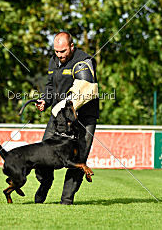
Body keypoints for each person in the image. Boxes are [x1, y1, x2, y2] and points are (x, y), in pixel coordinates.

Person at [35, 32, 99, 205]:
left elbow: (86, 88)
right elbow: (50, 86)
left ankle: (67, 199)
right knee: (43, 152)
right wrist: (46, 101)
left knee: (79, 158)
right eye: (56, 51)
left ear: (71, 46)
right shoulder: (53, 61)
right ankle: (45, 184)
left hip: (84, 117)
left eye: (63, 51)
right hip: (59, 116)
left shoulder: (83, 61)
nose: (59, 55)